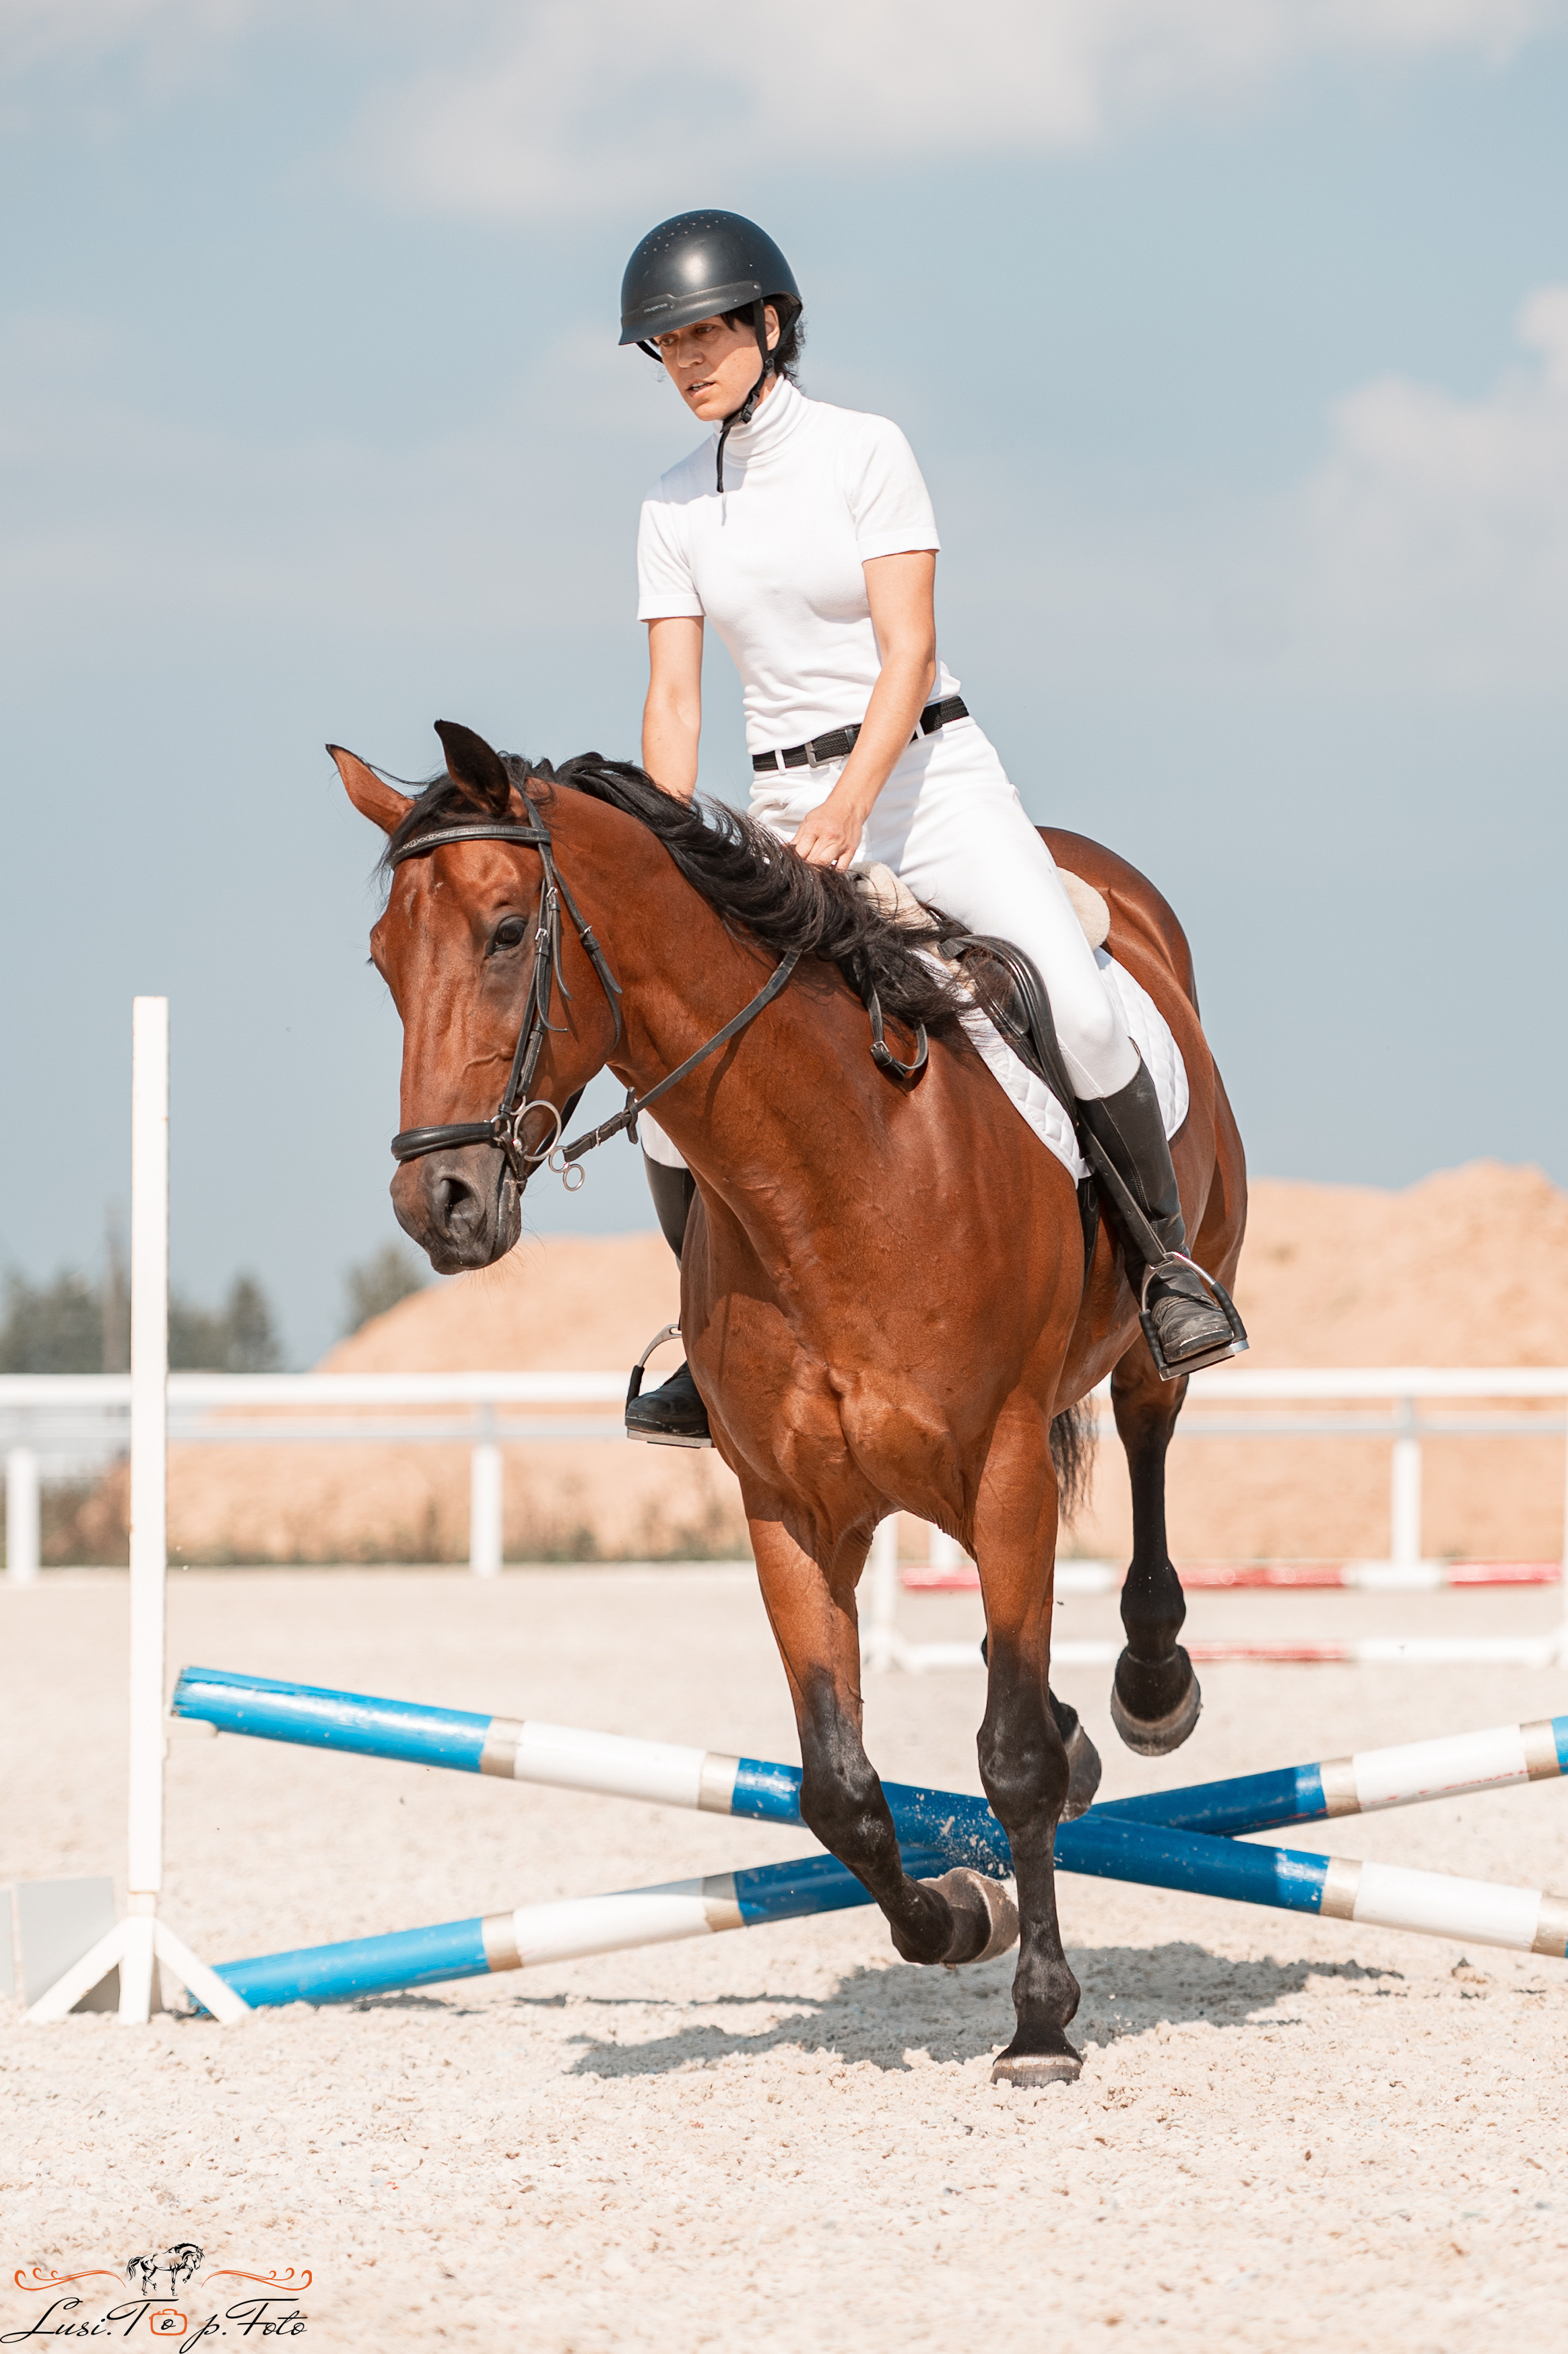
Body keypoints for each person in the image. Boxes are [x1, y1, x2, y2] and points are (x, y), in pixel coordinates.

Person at [617, 209, 1238, 1446]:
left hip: (928, 785)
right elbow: (676, 699)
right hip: (781, 805)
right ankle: (708, 1344)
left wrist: (855, 810)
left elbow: (908, 653)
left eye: (704, 336)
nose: (686, 362)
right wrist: (666, 846)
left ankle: (1168, 1273)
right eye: (666, 346)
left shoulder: (866, 452)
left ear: (770, 325)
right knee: (667, 1083)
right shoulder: (671, 505)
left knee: (1082, 1002)